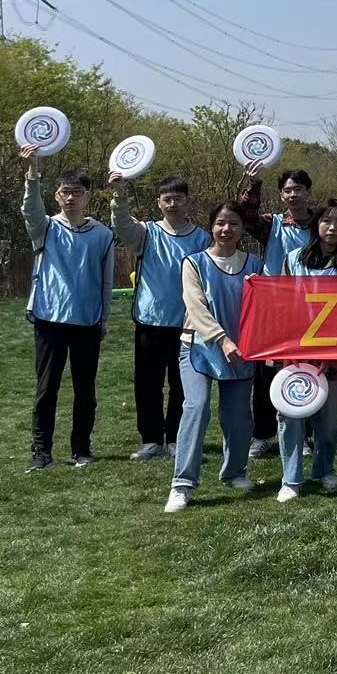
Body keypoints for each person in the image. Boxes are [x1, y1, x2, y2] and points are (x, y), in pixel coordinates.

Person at [20, 147, 116, 472]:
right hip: (49, 319)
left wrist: (103, 320)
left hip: (87, 322)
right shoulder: (45, 228)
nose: (71, 197)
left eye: (77, 192)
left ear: (88, 196)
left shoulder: (102, 235)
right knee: (47, 388)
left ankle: (81, 448)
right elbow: (30, 209)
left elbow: (105, 283)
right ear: (57, 196)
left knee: (85, 390)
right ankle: (41, 452)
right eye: (65, 192)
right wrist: (33, 171)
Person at [164, 202, 262, 512]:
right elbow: (197, 308)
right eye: (220, 223)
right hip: (200, 348)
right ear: (211, 227)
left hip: (240, 351)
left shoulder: (255, 265)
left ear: (242, 229)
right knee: (196, 407)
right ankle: (182, 483)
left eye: (233, 223)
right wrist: (222, 339)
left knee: (238, 416)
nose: (226, 229)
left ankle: (235, 471)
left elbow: (263, 307)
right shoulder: (193, 263)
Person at [109, 173, 210, 461]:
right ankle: (151, 439)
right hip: (149, 321)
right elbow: (121, 225)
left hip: (187, 324)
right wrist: (119, 195)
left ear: (188, 202)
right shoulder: (146, 232)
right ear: (159, 203)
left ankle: (177, 439)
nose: (173, 204)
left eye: (178, 198)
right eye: (167, 199)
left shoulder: (202, 238)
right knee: (147, 385)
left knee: (182, 386)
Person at [275, 199, 337, 502]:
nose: (332, 228)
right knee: (290, 415)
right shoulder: (293, 260)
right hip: (296, 354)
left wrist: (332, 351)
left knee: (331, 418)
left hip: (334, 356)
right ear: (316, 225)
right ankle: (291, 479)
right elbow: (281, 305)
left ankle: (323, 469)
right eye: (326, 221)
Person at [239, 165, 316, 460]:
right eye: (287, 190)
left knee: (304, 369)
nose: (293, 195)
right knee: (266, 374)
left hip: (310, 310)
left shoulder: (320, 225)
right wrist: (255, 184)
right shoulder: (272, 225)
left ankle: (303, 434)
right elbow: (245, 217)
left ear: (308, 192)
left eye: (298, 189)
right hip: (272, 309)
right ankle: (262, 435)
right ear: (281, 195)